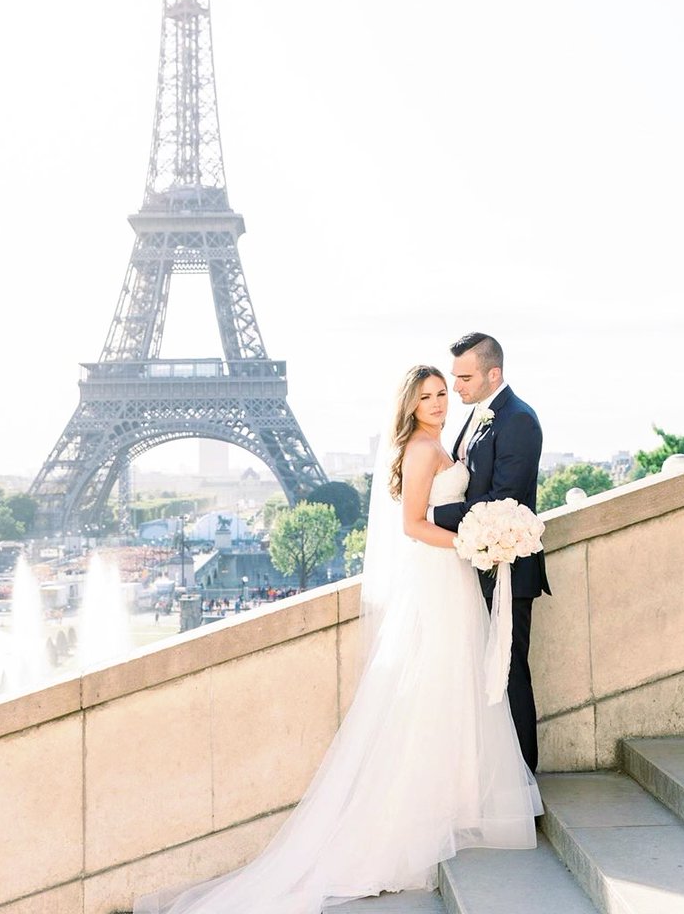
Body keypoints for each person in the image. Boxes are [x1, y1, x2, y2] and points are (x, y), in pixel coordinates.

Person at [133, 365, 540, 914]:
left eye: (443, 392)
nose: (440, 402)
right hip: (442, 576)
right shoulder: (423, 451)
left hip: (450, 580)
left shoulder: (440, 443)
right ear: (410, 405)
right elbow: (413, 525)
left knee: (450, 686)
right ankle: (435, 805)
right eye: (427, 396)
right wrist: (472, 545)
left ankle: (453, 799)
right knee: (437, 685)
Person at [430, 333, 550, 774]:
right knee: (485, 678)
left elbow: (502, 501)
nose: (455, 387)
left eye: (464, 377)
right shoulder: (481, 415)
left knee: (510, 673)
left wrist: (432, 516)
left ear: (493, 373)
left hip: (507, 569)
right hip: (475, 566)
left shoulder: (517, 420)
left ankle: (524, 784)